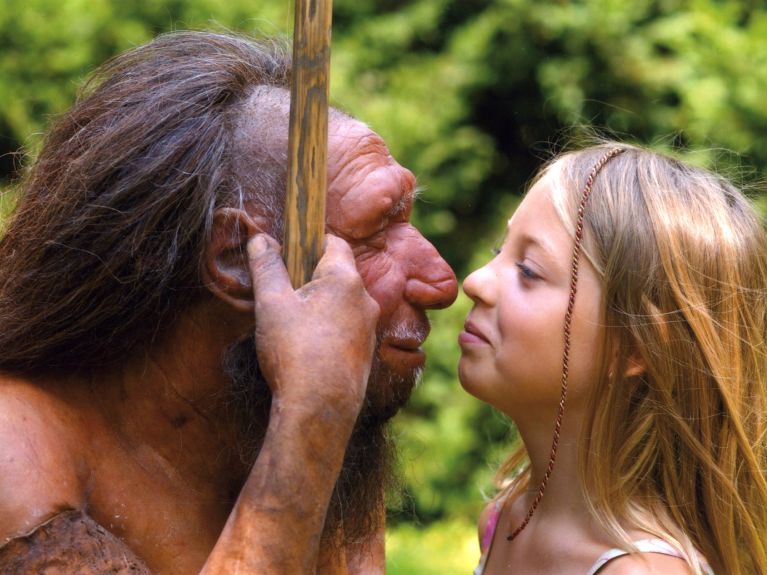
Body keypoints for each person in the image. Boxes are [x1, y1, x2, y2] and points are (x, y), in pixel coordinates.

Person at [0, 31, 457, 573]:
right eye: (376, 232)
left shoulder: (302, 441)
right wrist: (311, 413)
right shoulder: (16, 446)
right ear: (238, 258)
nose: (442, 282)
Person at [459, 143, 767, 574]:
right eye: (499, 252)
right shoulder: (504, 519)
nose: (476, 282)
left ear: (633, 347)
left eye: (528, 270)